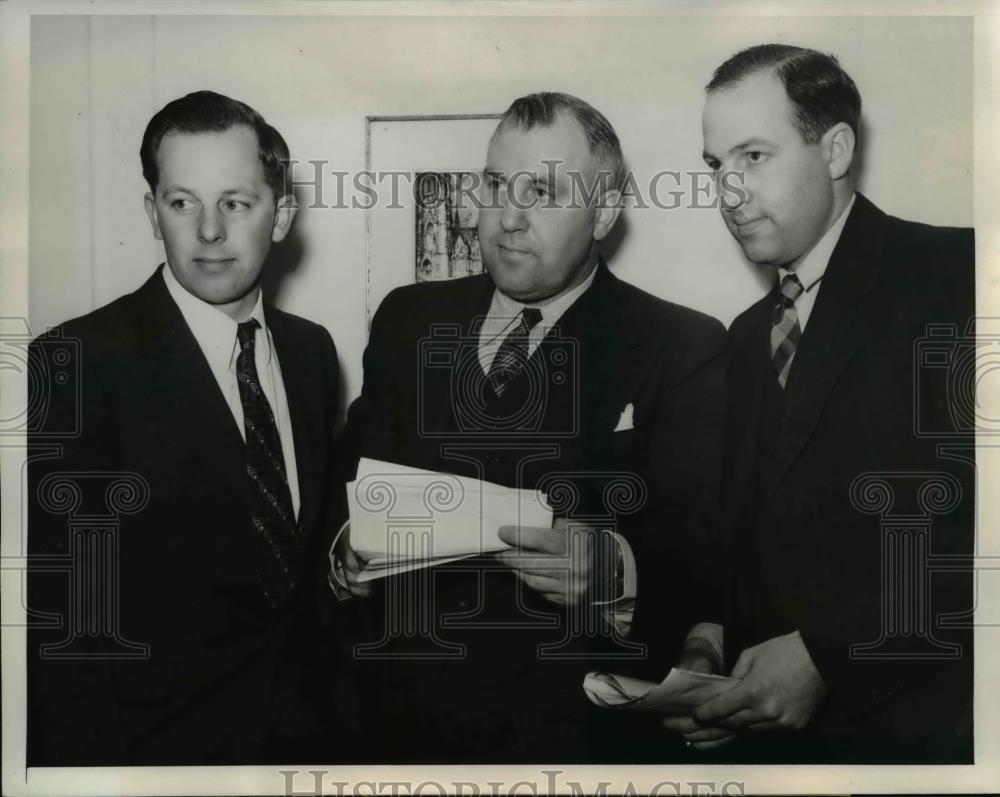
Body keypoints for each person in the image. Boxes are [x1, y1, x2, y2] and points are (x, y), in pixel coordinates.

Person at [331, 91, 728, 762]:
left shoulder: (681, 344)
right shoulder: (406, 319)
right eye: (494, 185)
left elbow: (709, 558)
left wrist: (615, 571)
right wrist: (343, 554)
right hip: (395, 737)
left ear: (604, 212)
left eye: (541, 191)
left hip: (571, 745)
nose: (507, 218)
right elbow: (351, 480)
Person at [662, 44, 974, 763]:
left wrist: (832, 656)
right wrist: (709, 641)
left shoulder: (960, 277)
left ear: (835, 149)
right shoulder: (745, 338)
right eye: (716, 167)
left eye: (753, 156)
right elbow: (752, 544)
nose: (728, 193)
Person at [27, 91, 347, 765]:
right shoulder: (77, 363)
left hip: (309, 748)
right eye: (182, 202)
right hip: (156, 759)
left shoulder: (313, 353)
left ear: (281, 213)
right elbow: (68, 628)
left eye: (236, 202)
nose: (208, 231)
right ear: (152, 212)